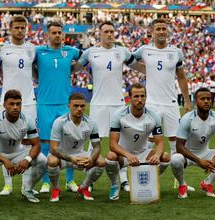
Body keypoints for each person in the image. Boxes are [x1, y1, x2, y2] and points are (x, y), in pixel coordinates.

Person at [77, 21, 145, 192]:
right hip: (99, 104)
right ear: (99, 34)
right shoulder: (91, 52)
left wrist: (157, 71)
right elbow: (75, 68)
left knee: (122, 142)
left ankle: (123, 180)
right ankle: (89, 180)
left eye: (112, 31)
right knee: (94, 143)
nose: (109, 34)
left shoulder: (121, 51)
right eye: (106, 31)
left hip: (118, 104)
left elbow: (136, 65)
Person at [132, 18, 193, 191]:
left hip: (171, 104)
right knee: (148, 142)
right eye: (158, 28)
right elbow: (128, 60)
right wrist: (144, 70)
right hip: (151, 104)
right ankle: (143, 178)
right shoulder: (144, 50)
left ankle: (180, 181)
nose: (161, 31)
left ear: (167, 32)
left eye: (164, 29)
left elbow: (181, 77)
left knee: (176, 143)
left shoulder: (176, 52)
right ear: (152, 31)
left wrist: (187, 101)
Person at [0, 15, 37, 196]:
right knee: (4, 143)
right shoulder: (1, 48)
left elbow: (37, 72)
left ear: (26, 29)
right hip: (7, 101)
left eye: (22, 28)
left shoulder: (32, 49)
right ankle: (7, 185)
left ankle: (26, 187)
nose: (19, 31)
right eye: (16, 27)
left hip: (29, 101)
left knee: (28, 142)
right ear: (10, 28)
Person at [35, 21, 81, 193]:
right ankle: (46, 181)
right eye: (53, 32)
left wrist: (72, 70)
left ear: (62, 34)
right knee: (45, 143)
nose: (57, 35)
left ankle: (70, 180)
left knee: (68, 142)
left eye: (59, 32)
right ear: (47, 35)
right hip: (44, 104)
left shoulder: (71, 51)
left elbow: (84, 60)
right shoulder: (38, 52)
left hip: (64, 104)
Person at [0, 90, 47, 204]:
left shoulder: (27, 120)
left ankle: (27, 189)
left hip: (18, 153)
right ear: (4, 105)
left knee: (42, 160)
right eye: (11, 104)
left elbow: (36, 145)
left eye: (18, 104)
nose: (15, 107)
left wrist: (27, 159)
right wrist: (4, 160)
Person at [105, 83, 170, 200]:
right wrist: (128, 155)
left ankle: (151, 181)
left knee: (165, 157)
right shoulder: (118, 115)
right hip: (124, 155)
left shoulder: (154, 116)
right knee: (110, 156)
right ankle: (115, 185)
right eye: (136, 96)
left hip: (143, 153)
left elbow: (160, 142)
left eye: (142, 96)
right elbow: (112, 144)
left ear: (146, 97)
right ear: (129, 98)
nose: (140, 99)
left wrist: (157, 155)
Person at [171, 87, 215, 198]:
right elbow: (179, 146)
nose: (206, 101)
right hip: (187, 154)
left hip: (205, 152)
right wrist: (198, 161)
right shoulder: (187, 119)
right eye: (202, 99)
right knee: (175, 160)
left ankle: (206, 183)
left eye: (208, 99)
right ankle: (182, 185)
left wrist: (214, 160)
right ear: (196, 102)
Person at [48, 93, 105, 202]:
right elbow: (53, 149)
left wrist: (91, 159)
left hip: (80, 154)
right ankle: (56, 189)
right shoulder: (59, 122)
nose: (79, 109)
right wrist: (71, 159)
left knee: (101, 162)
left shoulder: (91, 123)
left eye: (82, 106)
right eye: (76, 106)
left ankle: (83, 187)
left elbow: (97, 147)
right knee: (51, 160)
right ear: (69, 106)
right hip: (63, 156)